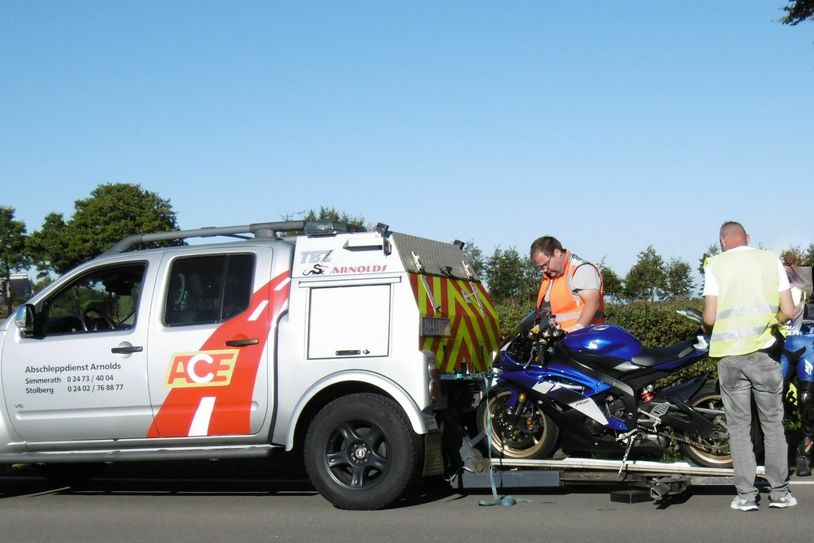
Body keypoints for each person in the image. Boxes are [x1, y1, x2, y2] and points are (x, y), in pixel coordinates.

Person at [702, 221, 799, 511]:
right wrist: (774, 322)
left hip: (731, 358)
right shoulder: (771, 260)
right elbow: (789, 310)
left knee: (739, 428)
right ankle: (780, 493)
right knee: (772, 424)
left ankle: (746, 495)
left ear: (722, 241)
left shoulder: (715, 265)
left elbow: (709, 317)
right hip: (765, 354)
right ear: (749, 238)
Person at [529, 236, 604, 332]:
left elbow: (593, 302)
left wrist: (576, 331)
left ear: (557, 252)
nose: (544, 269)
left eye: (546, 264)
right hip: (561, 342)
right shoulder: (551, 278)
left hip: (583, 339)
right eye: (541, 267)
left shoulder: (580, 269)